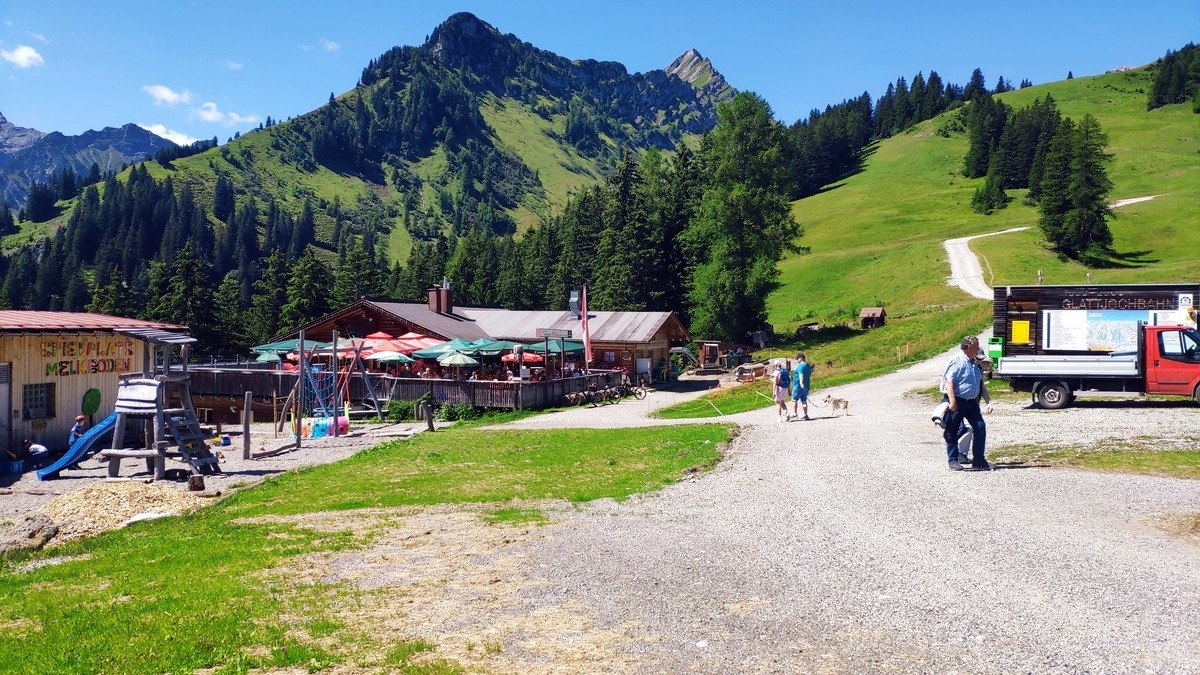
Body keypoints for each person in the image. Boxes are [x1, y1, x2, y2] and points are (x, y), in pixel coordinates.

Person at [942, 335, 993, 471]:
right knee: (952, 430)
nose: (978, 349)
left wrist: (987, 401)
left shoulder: (974, 362)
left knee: (980, 427)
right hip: (958, 401)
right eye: (976, 346)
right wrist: (952, 402)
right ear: (969, 347)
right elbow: (949, 381)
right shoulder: (956, 360)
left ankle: (979, 460)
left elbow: (980, 384)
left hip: (972, 403)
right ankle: (953, 460)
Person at [789, 352, 813, 421]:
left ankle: (794, 414)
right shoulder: (808, 366)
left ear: (800, 358)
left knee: (794, 399)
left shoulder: (800, 366)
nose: (797, 360)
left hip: (798, 386)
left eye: (797, 359)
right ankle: (805, 414)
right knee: (804, 400)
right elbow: (809, 374)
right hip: (807, 385)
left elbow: (801, 374)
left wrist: (801, 383)